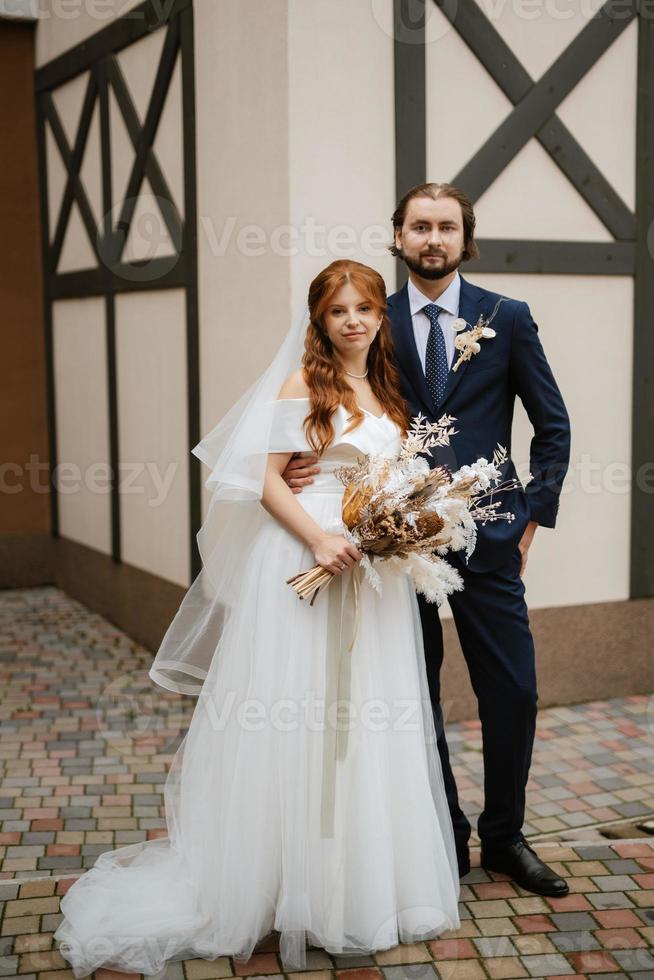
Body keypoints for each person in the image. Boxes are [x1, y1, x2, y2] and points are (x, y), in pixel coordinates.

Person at [53, 259, 461, 979]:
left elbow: (394, 473)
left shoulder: (387, 389)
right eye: (338, 311)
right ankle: (283, 888)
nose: (354, 322)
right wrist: (320, 538)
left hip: (374, 574)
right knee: (301, 714)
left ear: (379, 316)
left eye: (364, 309)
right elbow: (269, 480)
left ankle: (364, 890)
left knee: (367, 718)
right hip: (311, 557)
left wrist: (402, 525)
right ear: (320, 320)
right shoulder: (305, 384)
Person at [283, 183, 572, 898]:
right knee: (409, 693)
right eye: (420, 227)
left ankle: (505, 837)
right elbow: (335, 389)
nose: (433, 238)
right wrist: (306, 450)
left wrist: (531, 517)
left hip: (488, 536)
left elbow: (554, 427)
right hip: (389, 545)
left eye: (446, 226)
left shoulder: (507, 318)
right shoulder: (372, 319)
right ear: (400, 237)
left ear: (465, 237)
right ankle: (443, 832)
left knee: (515, 691)